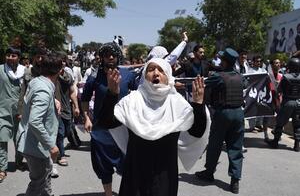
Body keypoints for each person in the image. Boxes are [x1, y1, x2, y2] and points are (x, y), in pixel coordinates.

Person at [97, 58, 209, 196]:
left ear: (168, 77)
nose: (156, 73)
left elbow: (197, 131)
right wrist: (112, 94)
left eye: (161, 70)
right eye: (151, 69)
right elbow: (106, 122)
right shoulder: (132, 101)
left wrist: (198, 104)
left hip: (164, 176)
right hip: (135, 174)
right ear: (144, 76)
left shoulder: (178, 103)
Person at [81, 42, 136, 196]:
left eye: (113, 54)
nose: (110, 57)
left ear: (118, 56)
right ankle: (108, 193)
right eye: (106, 55)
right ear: (102, 58)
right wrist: (86, 118)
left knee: (127, 164)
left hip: (124, 128)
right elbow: (84, 99)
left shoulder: (128, 76)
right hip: (100, 129)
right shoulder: (94, 77)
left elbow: (140, 95)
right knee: (102, 164)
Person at [195, 48, 245, 194]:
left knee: (215, 144)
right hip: (239, 114)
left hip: (223, 114)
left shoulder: (219, 76)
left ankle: (209, 173)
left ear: (224, 61)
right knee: (235, 147)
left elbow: (203, 83)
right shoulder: (240, 76)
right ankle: (235, 181)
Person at [16, 53, 62, 196]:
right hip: (36, 146)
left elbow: (31, 100)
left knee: (45, 175)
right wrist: (51, 145)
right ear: (60, 71)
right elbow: (35, 121)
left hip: (33, 143)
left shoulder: (37, 81)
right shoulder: (43, 89)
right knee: (37, 183)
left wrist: (53, 101)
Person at [0, 47, 25, 182]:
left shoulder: (25, 72)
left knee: (19, 138)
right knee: (2, 140)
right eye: (8, 55)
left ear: (18, 58)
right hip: (2, 111)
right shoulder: (0, 70)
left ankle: (19, 162)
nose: (10, 58)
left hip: (19, 112)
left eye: (13, 56)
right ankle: (2, 168)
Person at [267, 57, 300, 152]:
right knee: (297, 124)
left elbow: (279, 90)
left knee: (280, 123)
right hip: (299, 102)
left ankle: (275, 142)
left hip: (288, 102)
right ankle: (297, 145)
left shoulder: (286, 77)